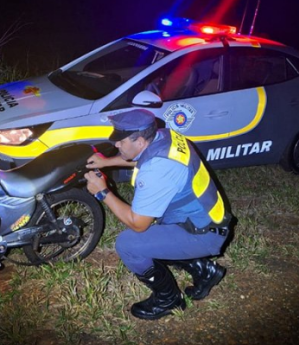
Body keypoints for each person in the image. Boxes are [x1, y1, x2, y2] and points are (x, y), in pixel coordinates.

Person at [84, 109, 232, 320]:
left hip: (203, 234)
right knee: (157, 237)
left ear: (141, 140)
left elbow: (138, 224)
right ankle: (204, 270)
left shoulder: (157, 169)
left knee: (129, 244)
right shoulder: (165, 137)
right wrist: (106, 162)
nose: (116, 144)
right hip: (203, 220)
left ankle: (168, 299)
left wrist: (102, 191)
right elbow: (144, 157)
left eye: (121, 141)